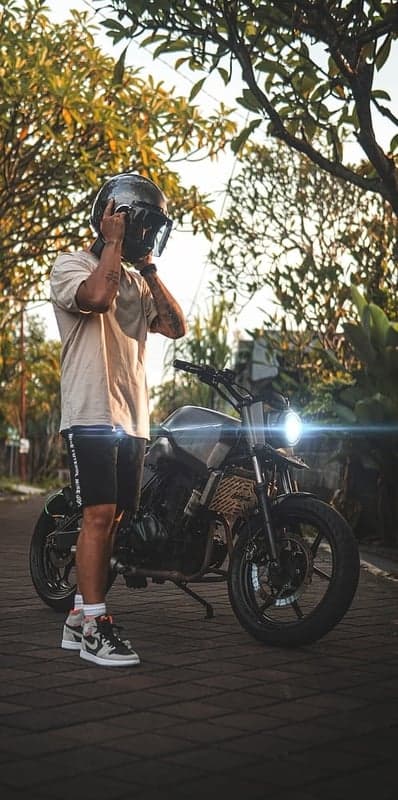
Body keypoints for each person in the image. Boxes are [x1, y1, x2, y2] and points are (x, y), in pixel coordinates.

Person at [50, 172, 187, 667]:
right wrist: (111, 244)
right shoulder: (72, 265)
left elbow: (175, 326)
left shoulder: (134, 280)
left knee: (117, 520)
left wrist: (148, 269)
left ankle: (75, 616)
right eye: (139, 226)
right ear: (113, 216)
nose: (144, 236)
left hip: (132, 419)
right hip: (90, 412)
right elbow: (96, 299)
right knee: (98, 516)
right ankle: (95, 626)